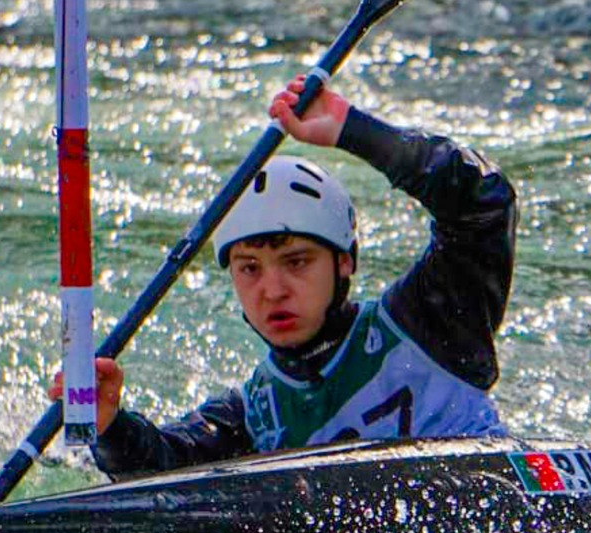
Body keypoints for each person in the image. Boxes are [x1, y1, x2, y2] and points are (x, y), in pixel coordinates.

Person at [50, 76, 516, 476]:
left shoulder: (432, 325)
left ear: (344, 263)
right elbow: (165, 473)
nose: (272, 290)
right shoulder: (257, 414)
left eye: (297, 262)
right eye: (249, 268)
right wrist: (110, 425)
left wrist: (356, 132)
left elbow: (483, 201)